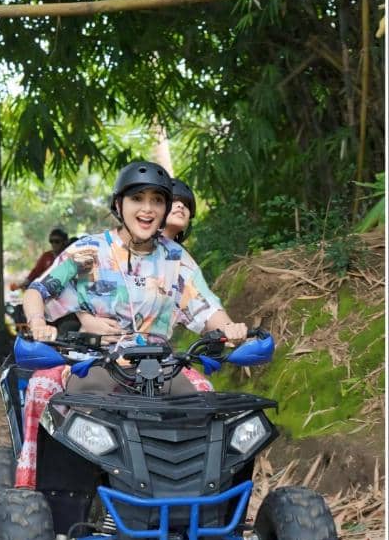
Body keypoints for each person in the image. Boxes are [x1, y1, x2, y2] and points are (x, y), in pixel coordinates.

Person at [14, 162, 247, 488]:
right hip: (96, 364)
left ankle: (197, 499)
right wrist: (39, 324)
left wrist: (230, 328)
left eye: (157, 200)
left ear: (166, 208)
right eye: (138, 198)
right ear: (118, 205)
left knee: (203, 406)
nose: (148, 209)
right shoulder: (89, 251)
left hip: (161, 368)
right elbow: (37, 292)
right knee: (60, 402)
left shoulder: (175, 258)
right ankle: (43, 494)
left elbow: (207, 309)